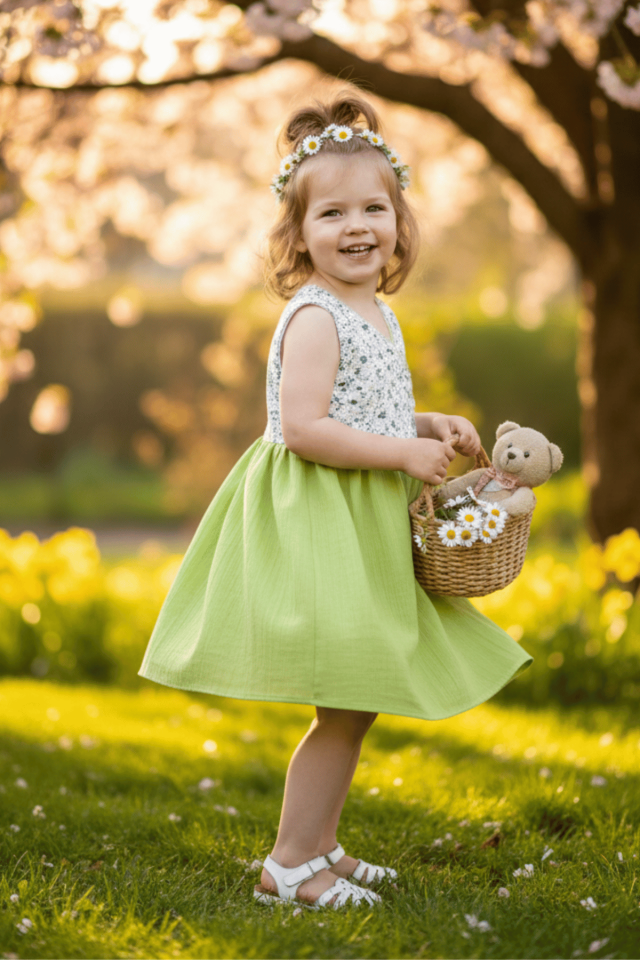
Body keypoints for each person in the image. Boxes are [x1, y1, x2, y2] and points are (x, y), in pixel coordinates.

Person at [138, 92, 532, 912]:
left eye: (373, 208)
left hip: (361, 517)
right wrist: (400, 451)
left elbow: (365, 408)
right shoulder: (314, 316)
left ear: (399, 221)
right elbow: (306, 428)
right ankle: (290, 865)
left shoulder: (375, 311)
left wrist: (424, 423)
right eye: (332, 213)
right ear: (298, 234)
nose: (357, 227)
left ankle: (322, 844)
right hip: (321, 522)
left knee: (356, 701)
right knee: (347, 699)